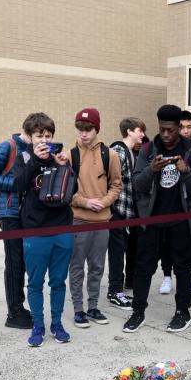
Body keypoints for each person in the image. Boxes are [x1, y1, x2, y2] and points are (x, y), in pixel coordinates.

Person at [123, 105, 191, 333]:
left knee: (183, 268)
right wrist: (151, 170)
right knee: (143, 268)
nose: (166, 135)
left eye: (170, 130)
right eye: (162, 129)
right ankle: (138, 312)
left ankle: (183, 312)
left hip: (182, 221)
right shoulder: (148, 149)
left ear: (179, 127)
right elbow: (137, 185)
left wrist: (186, 171)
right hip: (152, 220)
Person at [13, 113, 75, 347]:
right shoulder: (24, 158)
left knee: (58, 281)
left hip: (61, 227)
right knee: (35, 281)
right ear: (29, 137)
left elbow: (72, 188)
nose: (44, 140)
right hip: (35, 229)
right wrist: (35, 162)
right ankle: (38, 325)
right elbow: (18, 185)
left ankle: (57, 323)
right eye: (39, 135)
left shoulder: (60, 157)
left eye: (48, 135)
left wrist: (64, 166)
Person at [68, 108, 121, 328]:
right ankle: (78, 310)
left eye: (88, 129)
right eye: (80, 129)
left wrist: (105, 201)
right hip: (78, 220)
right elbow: (65, 192)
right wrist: (85, 202)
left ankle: (93, 307)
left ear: (96, 129)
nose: (84, 133)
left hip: (102, 220)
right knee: (77, 266)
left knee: (97, 266)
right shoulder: (70, 155)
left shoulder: (110, 155)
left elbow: (117, 185)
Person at [0, 119, 33, 329]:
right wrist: (17, 185)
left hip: (26, 213)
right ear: (27, 131)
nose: (42, 140)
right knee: (14, 263)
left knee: (22, 261)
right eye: (38, 134)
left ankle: (18, 306)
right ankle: (14, 312)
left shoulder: (33, 150)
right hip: (9, 211)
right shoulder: (7, 147)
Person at [157, 109, 191, 297]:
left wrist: (187, 171)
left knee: (187, 248)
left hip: (188, 208)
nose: (185, 130)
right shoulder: (159, 146)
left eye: (188, 127)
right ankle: (167, 276)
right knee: (165, 245)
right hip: (165, 208)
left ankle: (186, 277)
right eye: (182, 127)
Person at [107, 117, 144, 309]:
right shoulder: (119, 151)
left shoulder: (130, 152)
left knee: (124, 249)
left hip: (125, 211)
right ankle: (114, 290)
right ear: (129, 131)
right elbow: (112, 181)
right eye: (140, 130)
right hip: (116, 211)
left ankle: (124, 283)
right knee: (116, 251)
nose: (142, 134)